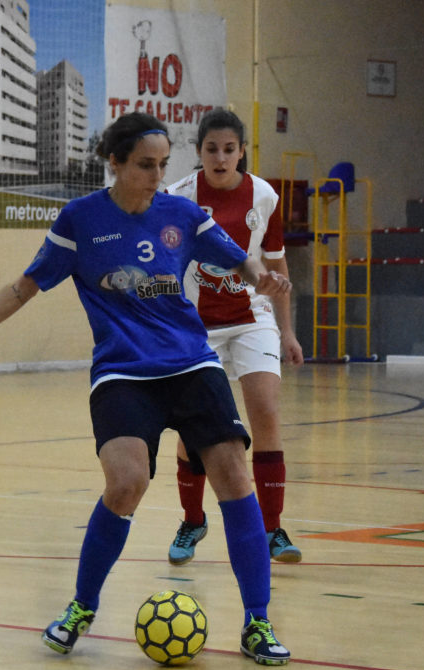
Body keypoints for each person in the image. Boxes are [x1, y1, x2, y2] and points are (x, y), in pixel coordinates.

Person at [0, 113, 292, 665]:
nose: (156, 175)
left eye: (163, 165)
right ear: (114, 163)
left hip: (191, 363)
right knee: (126, 483)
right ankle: (81, 607)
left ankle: (256, 622)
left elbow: (238, 257)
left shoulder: (183, 214)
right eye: (145, 165)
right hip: (123, 372)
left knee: (235, 476)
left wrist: (259, 275)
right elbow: (26, 286)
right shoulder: (81, 220)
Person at [162, 108, 305, 566]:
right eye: (211, 150)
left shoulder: (263, 196)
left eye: (229, 150)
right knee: (192, 427)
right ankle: (192, 521)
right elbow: (163, 268)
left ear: (242, 152)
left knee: (264, 410)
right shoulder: (177, 199)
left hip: (252, 317)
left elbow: (277, 266)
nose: (220, 158)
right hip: (196, 327)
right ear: (199, 152)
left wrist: (288, 331)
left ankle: (272, 527)